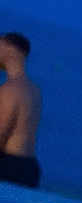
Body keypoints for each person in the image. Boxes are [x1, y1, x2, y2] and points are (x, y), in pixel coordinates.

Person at [0, 31, 41, 189]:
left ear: (10, 51)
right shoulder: (33, 90)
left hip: (9, 167)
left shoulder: (9, 90)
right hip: (29, 167)